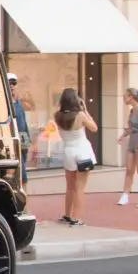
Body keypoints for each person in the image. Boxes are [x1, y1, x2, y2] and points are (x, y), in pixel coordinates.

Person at [56, 88, 98, 227]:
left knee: (70, 187)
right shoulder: (80, 115)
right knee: (80, 188)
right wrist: (85, 109)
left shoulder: (57, 115)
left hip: (68, 151)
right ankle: (77, 218)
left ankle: (68, 214)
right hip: (82, 152)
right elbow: (94, 128)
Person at [8, 73, 29, 190]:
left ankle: (24, 201)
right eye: (9, 83)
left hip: (22, 137)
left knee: (23, 168)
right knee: (21, 173)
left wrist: (27, 140)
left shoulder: (18, 102)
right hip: (11, 140)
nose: (12, 86)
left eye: (14, 83)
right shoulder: (5, 103)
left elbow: (23, 122)